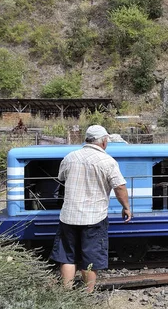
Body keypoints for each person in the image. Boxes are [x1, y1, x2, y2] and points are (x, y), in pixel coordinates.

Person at [49, 125, 132, 293]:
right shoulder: (107, 161)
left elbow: (61, 178)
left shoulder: (70, 157)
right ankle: (87, 295)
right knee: (90, 258)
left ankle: (66, 293)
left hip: (69, 216)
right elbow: (120, 187)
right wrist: (126, 208)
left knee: (67, 256)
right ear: (103, 141)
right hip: (94, 218)